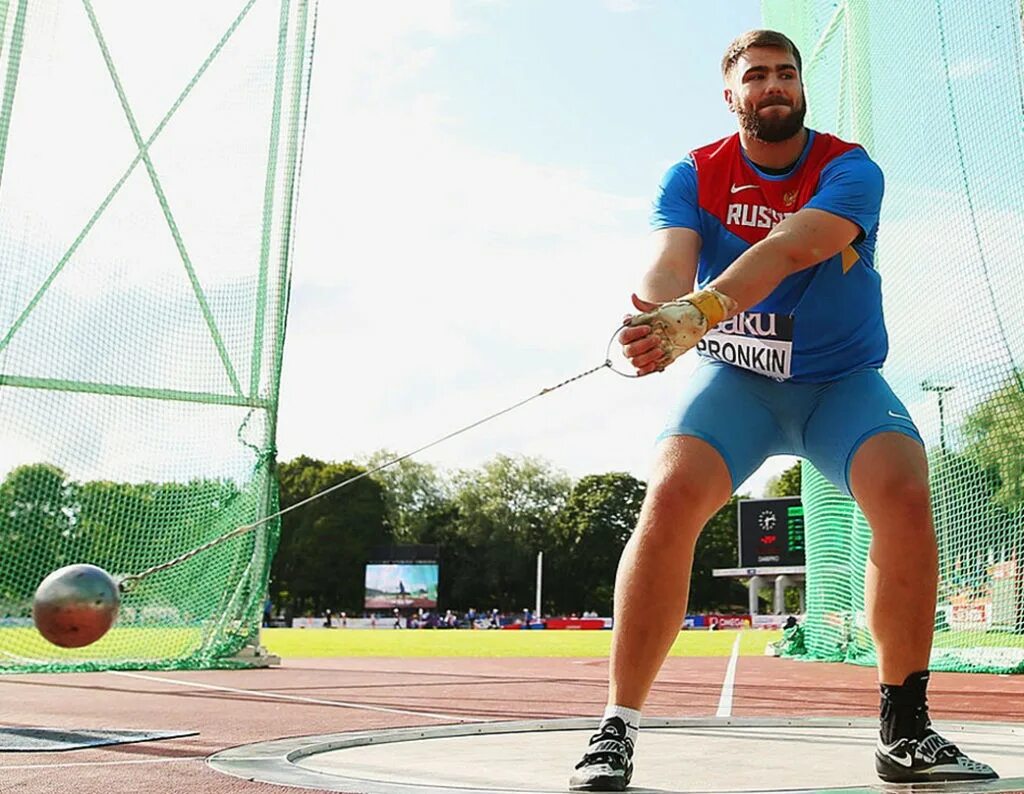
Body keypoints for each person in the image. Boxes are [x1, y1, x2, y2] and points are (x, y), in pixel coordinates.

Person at [569, 29, 998, 791]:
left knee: (903, 489)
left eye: (787, 74)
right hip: (737, 380)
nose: (776, 85)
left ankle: (905, 730)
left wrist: (700, 308)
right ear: (731, 94)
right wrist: (657, 314)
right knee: (668, 495)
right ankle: (615, 728)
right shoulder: (694, 173)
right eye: (758, 75)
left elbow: (796, 246)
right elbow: (668, 258)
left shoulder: (849, 167)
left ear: (801, 88)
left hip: (841, 382)